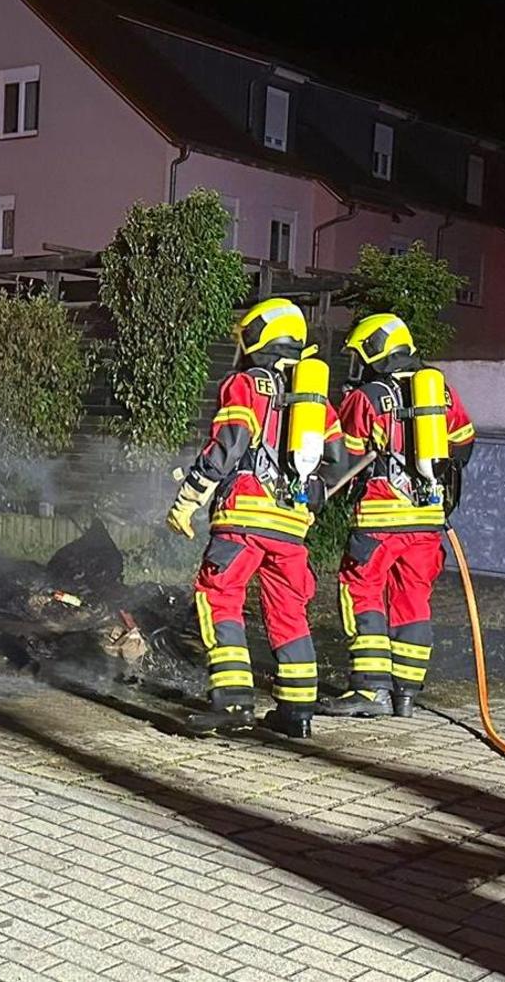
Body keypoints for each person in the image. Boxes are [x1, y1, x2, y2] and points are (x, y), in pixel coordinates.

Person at [166, 297, 340, 738]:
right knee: (289, 612)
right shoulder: (315, 399)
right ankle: (297, 713)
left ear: (257, 337)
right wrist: (309, 495)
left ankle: (233, 702)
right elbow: (340, 458)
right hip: (293, 525)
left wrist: (187, 500)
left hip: (244, 517)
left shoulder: (246, 384)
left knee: (218, 596)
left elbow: (229, 444)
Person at [318, 312, 476, 718]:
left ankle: (370, 692)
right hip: (426, 519)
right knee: (413, 601)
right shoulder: (439, 390)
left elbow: (343, 458)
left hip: (379, 519)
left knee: (362, 594)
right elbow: (464, 444)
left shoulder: (367, 397)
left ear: (375, 350)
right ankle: (406, 693)